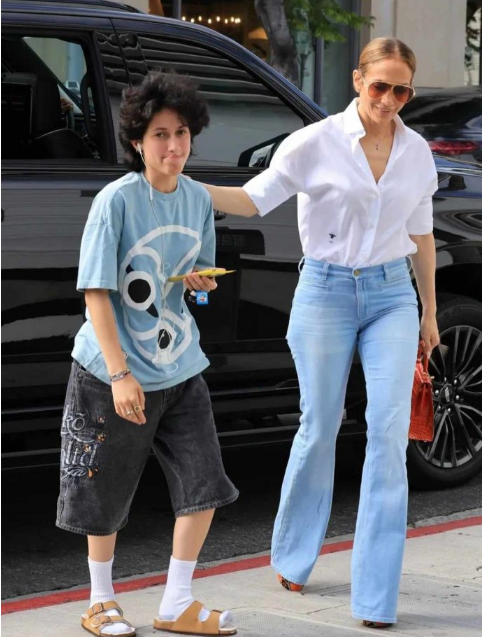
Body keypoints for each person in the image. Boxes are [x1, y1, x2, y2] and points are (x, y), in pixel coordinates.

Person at [198, 37, 440, 629]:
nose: (389, 99)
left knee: (388, 435)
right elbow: (254, 200)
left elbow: (422, 235)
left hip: (392, 294)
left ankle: (376, 597)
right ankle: (295, 553)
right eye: (379, 85)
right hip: (325, 291)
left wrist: (429, 312)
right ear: (357, 80)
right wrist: (181, 184)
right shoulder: (314, 142)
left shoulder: (416, 152)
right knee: (319, 425)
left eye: (402, 90)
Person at [56, 71, 239, 637]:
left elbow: (193, 275)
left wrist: (200, 283)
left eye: (182, 133)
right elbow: (96, 294)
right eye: (160, 134)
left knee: (204, 484)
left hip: (180, 365)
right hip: (111, 369)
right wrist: (119, 375)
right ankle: (100, 601)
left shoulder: (196, 198)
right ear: (138, 141)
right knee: (103, 491)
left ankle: (176, 602)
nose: (174, 146)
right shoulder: (116, 201)